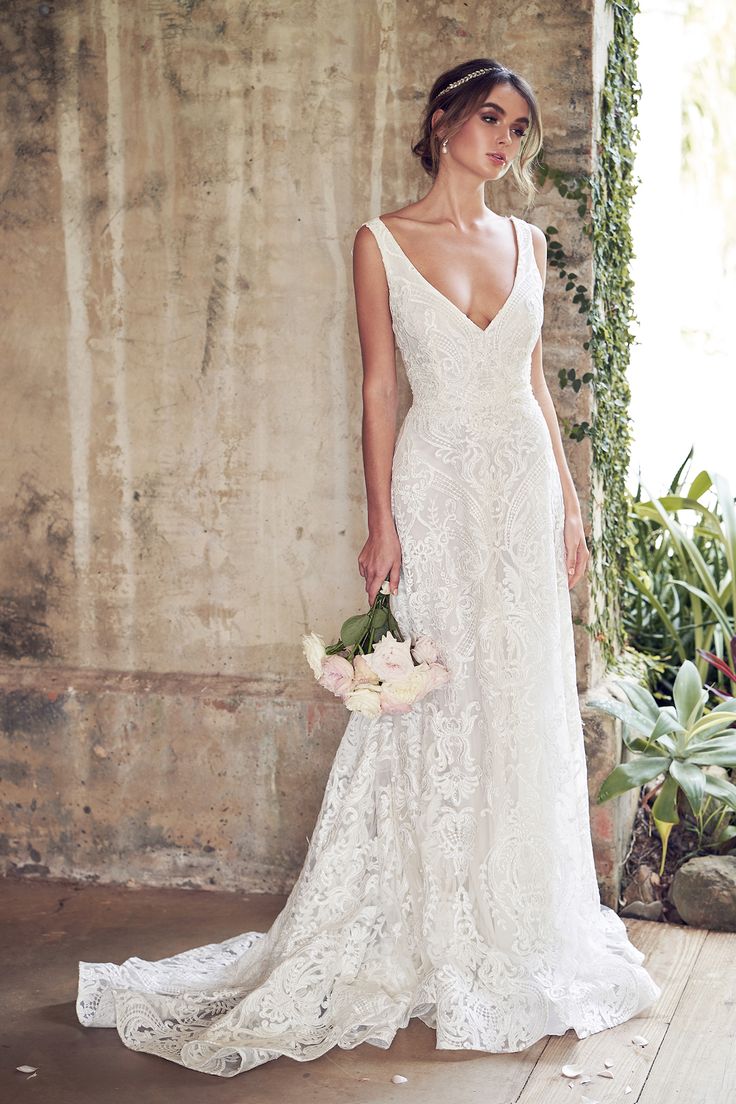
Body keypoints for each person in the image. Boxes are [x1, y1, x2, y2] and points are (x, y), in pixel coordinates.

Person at [75, 57, 661, 1077]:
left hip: (521, 496)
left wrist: (570, 509)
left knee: (519, 694)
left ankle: (519, 916)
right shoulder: (382, 241)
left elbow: (532, 387)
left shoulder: (523, 239)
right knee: (432, 695)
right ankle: (423, 917)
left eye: (518, 129)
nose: (504, 143)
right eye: (490, 119)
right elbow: (380, 391)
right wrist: (381, 519)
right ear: (442, 121)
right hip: (433, 493)